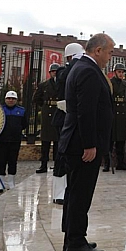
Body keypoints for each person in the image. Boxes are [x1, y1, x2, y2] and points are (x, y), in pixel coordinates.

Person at [58, 33, 115, 251]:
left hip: (77, 142)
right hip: (82, 145)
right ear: (98, 50)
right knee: (80, 194)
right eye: (110, 52)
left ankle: (74, 238)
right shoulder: (88, 71)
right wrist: (90, 144)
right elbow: (86, 111)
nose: (110, 57)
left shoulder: (81, 68)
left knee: (76, 194)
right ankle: (75, 242)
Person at [52, 42, 84, 205]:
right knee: (61, 155)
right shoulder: (63, 71)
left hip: (72, 117)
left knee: (70, 156)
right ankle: (58, 193)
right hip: (63, 117)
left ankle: (67, 190)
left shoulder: (73, 68)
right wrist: (77, 61)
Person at [0, 91, 26, 193]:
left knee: (13, 161)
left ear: (16, 100)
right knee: (1, 161)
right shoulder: (0, 110)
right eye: (8, 98)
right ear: (5, 99)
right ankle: (0, 183)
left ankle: (11, 182)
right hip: (2, 140)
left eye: (13, 99)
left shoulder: (21, 111)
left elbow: (24, 124)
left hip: (15, 140)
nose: (10, 100)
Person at [103, 62, 126, 172]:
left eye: (122, 72)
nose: (121, 74)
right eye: (119, 72)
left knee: (121, 141)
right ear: (115, 72)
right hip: (113, 113)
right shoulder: (110, 83)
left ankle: (121, 163)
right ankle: (107, 163)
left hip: (121, 115)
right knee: (109, 141)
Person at [33, 63, 60, 173]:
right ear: (49, 73)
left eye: (56, 71)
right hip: (47, 113)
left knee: (58, 142)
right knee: (45, 142)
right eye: (53, 71)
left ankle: (57, 165)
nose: (54, 73)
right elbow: (36, 98)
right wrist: (44, 106)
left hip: (58, 112)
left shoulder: (62, 84)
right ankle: (43, 164)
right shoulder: (44, 85)